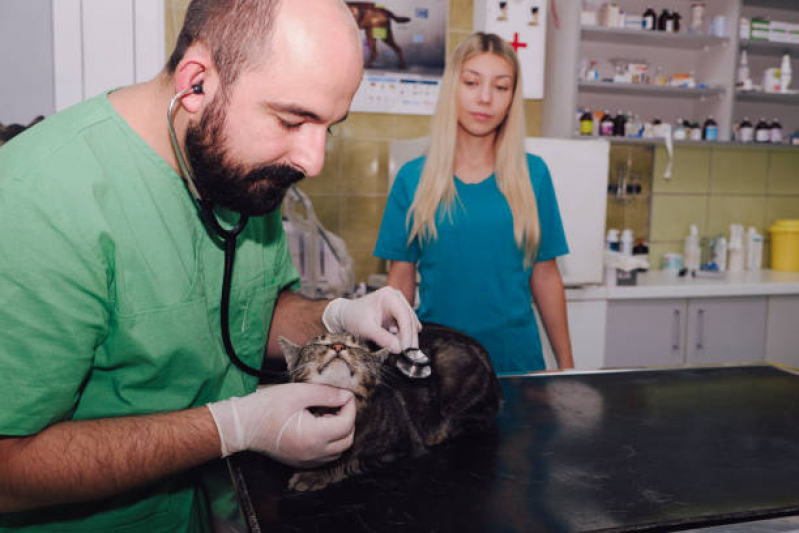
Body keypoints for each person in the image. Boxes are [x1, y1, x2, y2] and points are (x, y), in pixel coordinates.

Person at [0, 0, 422, 531]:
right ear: (196, 82)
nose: (312, 161)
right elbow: (7, 468)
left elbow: (257, 308)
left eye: (329, 128)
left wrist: (336, 316)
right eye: (294, 120)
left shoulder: (235, 170)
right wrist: (233, 427)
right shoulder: (36, 201)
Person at [374, 32, 574, 375]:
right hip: (440, 366)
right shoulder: (413, 179)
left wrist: (568, 367)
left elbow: (545, 275)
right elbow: (400, 281)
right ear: (453, 87)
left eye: (501, 87)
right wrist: (396, 360)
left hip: (517, 367)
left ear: (512, 99)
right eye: (471, 82)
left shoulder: (534, 175)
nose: (485, 98)